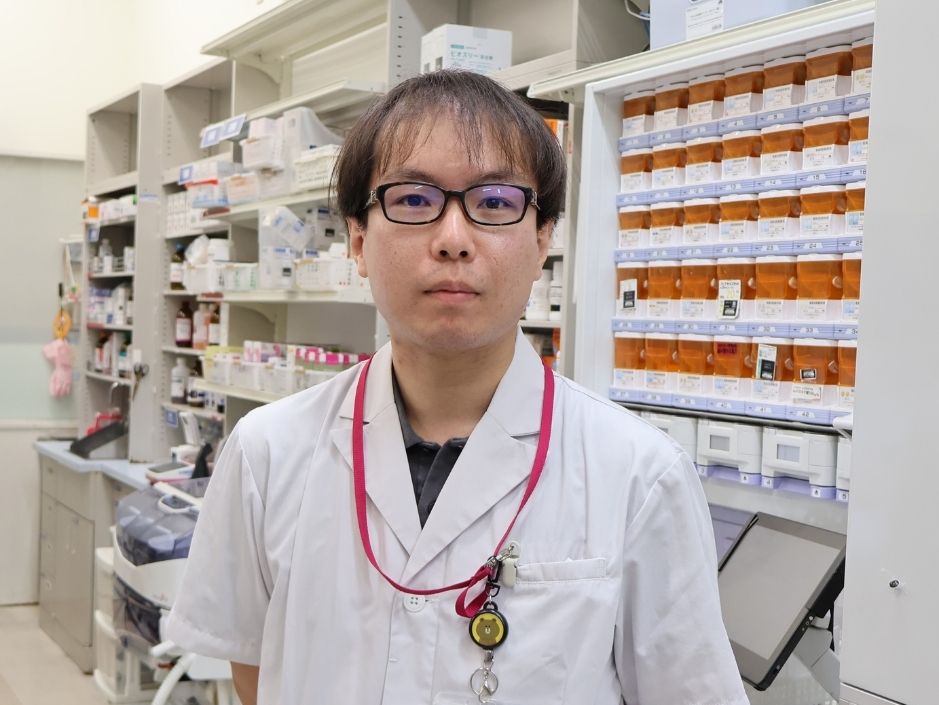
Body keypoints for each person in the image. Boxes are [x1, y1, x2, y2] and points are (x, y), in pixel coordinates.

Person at [166, 70, 749, 705]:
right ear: (358, 239)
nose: (452, 240)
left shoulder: (640, 474)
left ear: (542, 239)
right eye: (414, 200)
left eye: (494, 202)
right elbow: (254, 671)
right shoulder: (266, 453)